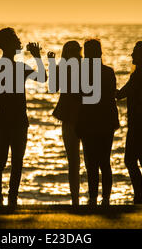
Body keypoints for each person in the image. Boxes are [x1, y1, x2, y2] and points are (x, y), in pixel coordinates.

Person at [0, 27, 47, 207]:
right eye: (16, 40)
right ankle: (8, 198)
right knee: (12, 161)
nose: (19, 42)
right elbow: (42, 77)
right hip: (15, 119)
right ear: (8, 44)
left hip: (8, 119)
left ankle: (1, 198)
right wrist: (36, 57)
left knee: (3, 161)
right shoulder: (16, 68)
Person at [76, 39, 119, 206]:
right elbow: (110, 97)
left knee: (91, 163)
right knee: (103, 161)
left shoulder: (83, 73)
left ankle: (94, 198)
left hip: (90, 122)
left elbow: (79, 97)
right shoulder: (108, 72)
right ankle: (104, 199)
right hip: (105, 121)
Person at [116, 41, 142, 204]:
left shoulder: (139, 76)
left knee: (131, 160)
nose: (131, 55)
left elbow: (120, 94)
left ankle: (140, 196)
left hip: (138, 124)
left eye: (134, 52)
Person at [48, 41, 82, 206]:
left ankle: (76, 198)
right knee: (83, 160)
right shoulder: (85, 67)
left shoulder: (64, 67)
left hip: (70, 117)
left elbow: (53, 88)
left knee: (74, 161)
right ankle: (83, 198)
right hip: (81, 117)